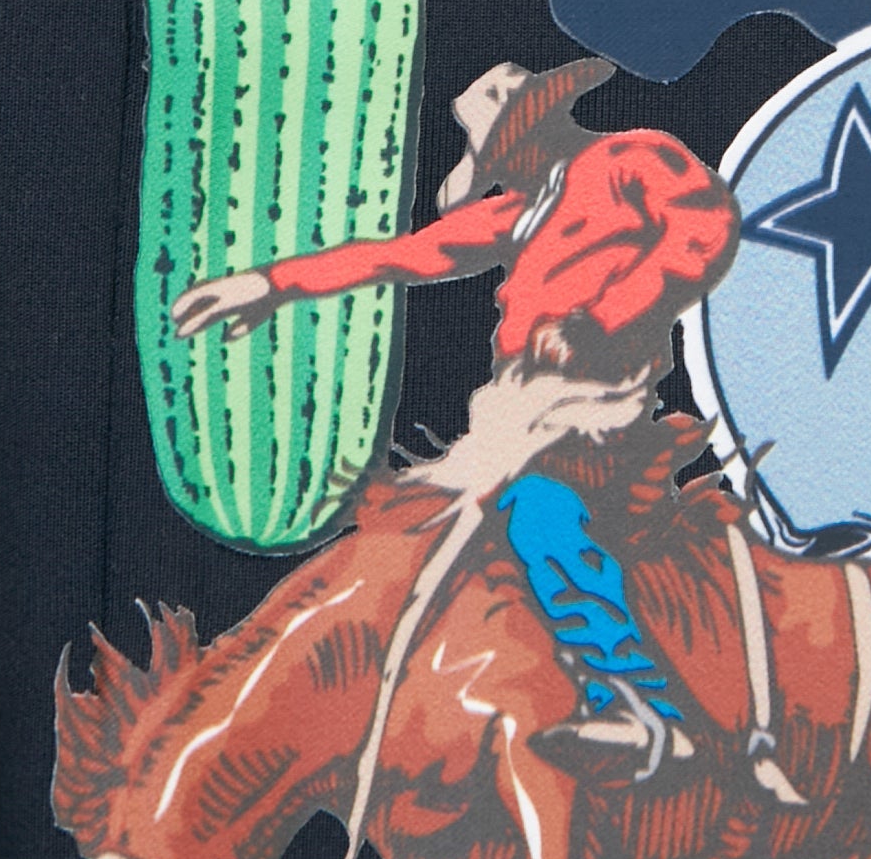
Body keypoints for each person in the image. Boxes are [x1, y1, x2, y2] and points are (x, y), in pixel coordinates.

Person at [173, 58, 740, 773]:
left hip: (599, 403)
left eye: (506, 146)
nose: (507, 164)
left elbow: (704, 231)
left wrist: (600, 319)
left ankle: (642, 706)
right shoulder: (522, 210)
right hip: (519, 409)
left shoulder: (632, 159)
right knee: (414, 529)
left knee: (537, 514)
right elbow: (406, 255)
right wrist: (270, 283)